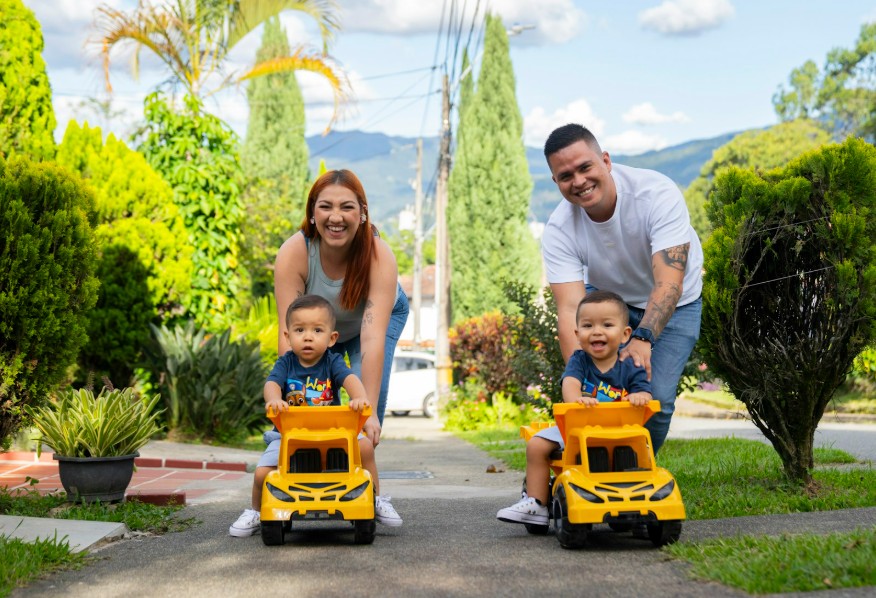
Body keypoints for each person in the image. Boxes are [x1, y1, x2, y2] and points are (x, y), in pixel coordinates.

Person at [540, 123, 703, 455]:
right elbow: (571, 310)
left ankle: (630, 475)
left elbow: (669, 282)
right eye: (566, 176)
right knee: (595, 395)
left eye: (585, 167)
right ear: (556, 182)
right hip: (609, 300)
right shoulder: (559, 228)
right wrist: (581, 382)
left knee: (653, 399)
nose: (579, 181)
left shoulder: (655, 193)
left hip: (676, 301)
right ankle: (582, 468)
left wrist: (643, 338)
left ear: (606, 160)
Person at [229, 295, 402, 537]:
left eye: (317, 330)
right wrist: (274, 400)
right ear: (288, 337)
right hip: (290, 434)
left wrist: (360, 398)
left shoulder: (332, 362)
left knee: (365, 450)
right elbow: (271, 384)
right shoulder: (285, 363)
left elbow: (350, 379)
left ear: (332, 338)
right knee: (261, 473)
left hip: (335, 431)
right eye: (300, 330)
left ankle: (375, 499)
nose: (308, 336)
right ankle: (256, 511)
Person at [496, 291, 652, 525]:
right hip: (576, 429)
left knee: (639, 453)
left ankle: (637, 499)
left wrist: (640, 396)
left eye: (607, 325)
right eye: (588, 325)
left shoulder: (630, 366)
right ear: (578, 334)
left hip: (619, 433)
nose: (597, 331)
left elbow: (645, 392)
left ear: (624, 334)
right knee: (536, 445)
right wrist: (577, 399)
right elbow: (570, 383)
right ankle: (537, 503)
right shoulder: (580, 360)